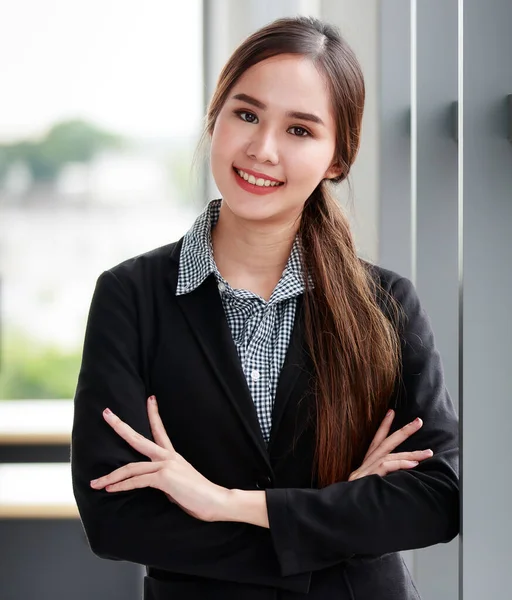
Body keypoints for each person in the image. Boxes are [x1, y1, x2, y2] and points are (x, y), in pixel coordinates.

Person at [70, 15, 459, 600]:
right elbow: (116, 518)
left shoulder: (384, 305)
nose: (262, 149)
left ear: (337, 159)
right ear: (215, 117)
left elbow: (435, 499)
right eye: (246, 114)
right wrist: (339, 516)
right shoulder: (132, 296)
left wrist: (226, 504)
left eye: (300, 131)